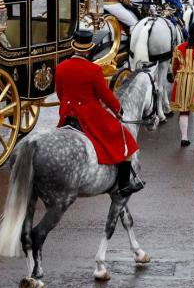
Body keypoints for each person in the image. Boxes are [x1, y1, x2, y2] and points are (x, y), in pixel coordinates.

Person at [55, 29, 142, 196]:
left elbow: (60, 94)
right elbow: (106, 95)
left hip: (67, 114)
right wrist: (118, 109)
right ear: (88, 49)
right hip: (89, 114)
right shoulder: (93, 70)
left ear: (74, 47)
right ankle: (124, 185)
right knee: (125, 138)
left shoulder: (60, 67)